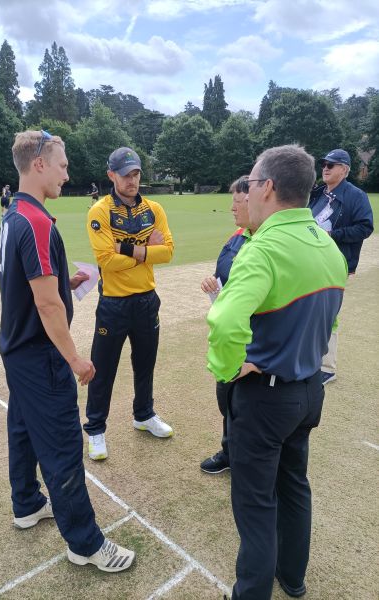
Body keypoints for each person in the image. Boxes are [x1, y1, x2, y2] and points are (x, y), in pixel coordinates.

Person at [207, 144, 347, 600]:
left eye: (247, 184)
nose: (244, 194)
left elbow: (225, 322)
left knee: (254, 503)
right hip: (308, 391)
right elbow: (331, 320)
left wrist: (229, 370)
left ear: (267, 188)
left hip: (266, 396)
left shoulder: (262, 247)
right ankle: (293, 577)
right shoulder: (327, 244)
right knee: (294, 486)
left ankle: (251, 592)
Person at [0, 130, 134, 573]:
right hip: (40, 356)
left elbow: (32, 285)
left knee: (21, 426)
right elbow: (45, 303)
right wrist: (75, 358)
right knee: (61, 445)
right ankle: (86, 543)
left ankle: (27, 503)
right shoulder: (35, 220)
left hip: (17, 351)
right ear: (38, 164)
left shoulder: (14, 214)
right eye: (62, 164)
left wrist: (65, 282)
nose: (68, 173)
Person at [84, 146, 174, 460]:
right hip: (114, 304)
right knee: (103, 368)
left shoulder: (154, 209)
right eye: (126, 175)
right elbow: (106, 261)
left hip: (147, 301)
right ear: (112, 176)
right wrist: (146, 253)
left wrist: (128, 250)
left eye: (136, 173)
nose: (132, 180)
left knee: (145, 363)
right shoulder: (99, 211)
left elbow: (169, 251)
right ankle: (95, 428)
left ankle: (144, 415)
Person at [200, 175, 252, 475]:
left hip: (252, 338)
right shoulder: (235, 238)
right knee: (227, 399)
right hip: (229, 336)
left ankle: (245, 458)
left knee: (247, 405)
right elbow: (226, 279)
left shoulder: (264, 244)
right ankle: (230, 450)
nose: (232, 208)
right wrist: (214, 287)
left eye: (238, 202)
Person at [309, 148, 374, 384]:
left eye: (332, 165)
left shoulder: (356, 196)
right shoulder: (317, 192)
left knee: (327, 312)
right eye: (324, 163)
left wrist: (332, 235)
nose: (325, 168)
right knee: (308, 309)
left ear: (344, 170)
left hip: (334, 263)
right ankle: (309, 358)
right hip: (310, 261)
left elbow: (365, 227)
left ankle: (327, 367)